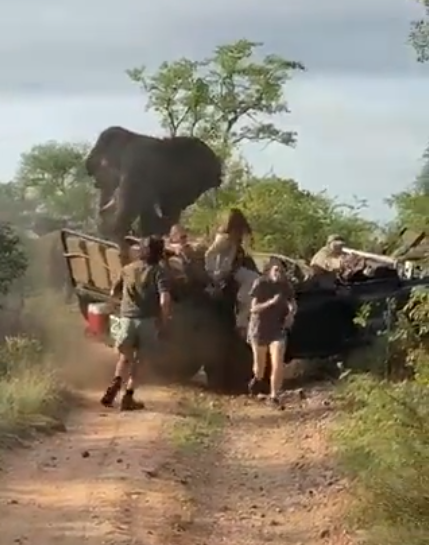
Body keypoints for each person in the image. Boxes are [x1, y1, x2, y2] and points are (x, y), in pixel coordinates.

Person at [100, 236, 171, 410]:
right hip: (147, 321)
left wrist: (122, 305)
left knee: (124, 358)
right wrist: (164, 319)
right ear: (159, 252)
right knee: (142, 361)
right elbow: (165, 300)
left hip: (126, 320)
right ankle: (128, 396)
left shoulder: (127, 269)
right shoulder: (159, 272)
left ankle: (116, 383)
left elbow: (113, 292)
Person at [247, 260, 297, 407]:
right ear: (269, 271)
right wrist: (271, 303)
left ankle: (274, 395)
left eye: (281, 271)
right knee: (260, 368)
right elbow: (253, 309)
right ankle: (256, 380)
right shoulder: (260, 283)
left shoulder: (285, 285)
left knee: (278, 361)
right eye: (276, 270)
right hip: (259, 328)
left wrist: (291, 313)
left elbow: (292, 302)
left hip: (277, 327)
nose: (278, 274)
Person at [204, 208, 259, 332]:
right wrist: (212, 271)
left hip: (231, 270)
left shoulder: (233, 240)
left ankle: (244, 314)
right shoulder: (224, 239)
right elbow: (209, 254)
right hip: (225, 271)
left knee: (254, 278)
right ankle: (242, 310)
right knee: (254, 279)